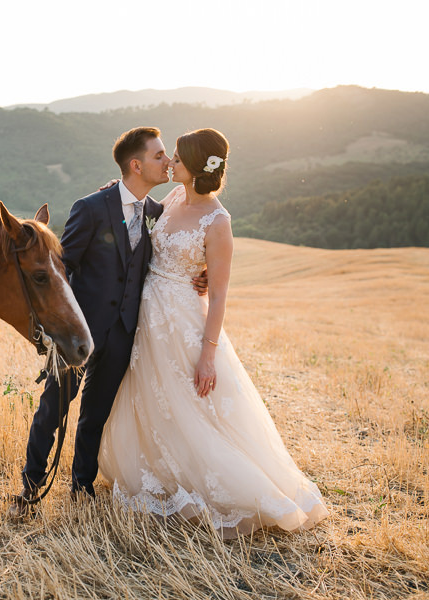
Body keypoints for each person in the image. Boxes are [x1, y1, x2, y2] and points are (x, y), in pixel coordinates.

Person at [98, 128, 329, 538]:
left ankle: (229, 487)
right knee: (154, 397)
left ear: (198, 167)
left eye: (179, 159)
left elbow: (219, 296)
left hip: (184, 320)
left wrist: (208, 353)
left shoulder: (217, 221)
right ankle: (158, 470)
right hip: (148, 315)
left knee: (192, 405)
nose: (171, 163)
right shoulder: (171, 197)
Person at [9, 126, 174, 517]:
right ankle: (30, 487)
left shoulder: (156, 214)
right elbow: (64, 269)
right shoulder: (91, 207)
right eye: (159, 156)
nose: (167, 162)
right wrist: (55, 330)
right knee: (53, 410)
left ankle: (81, 487)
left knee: (95, 415)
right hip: (77, 333)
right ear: (136, 165)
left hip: (122, 333)